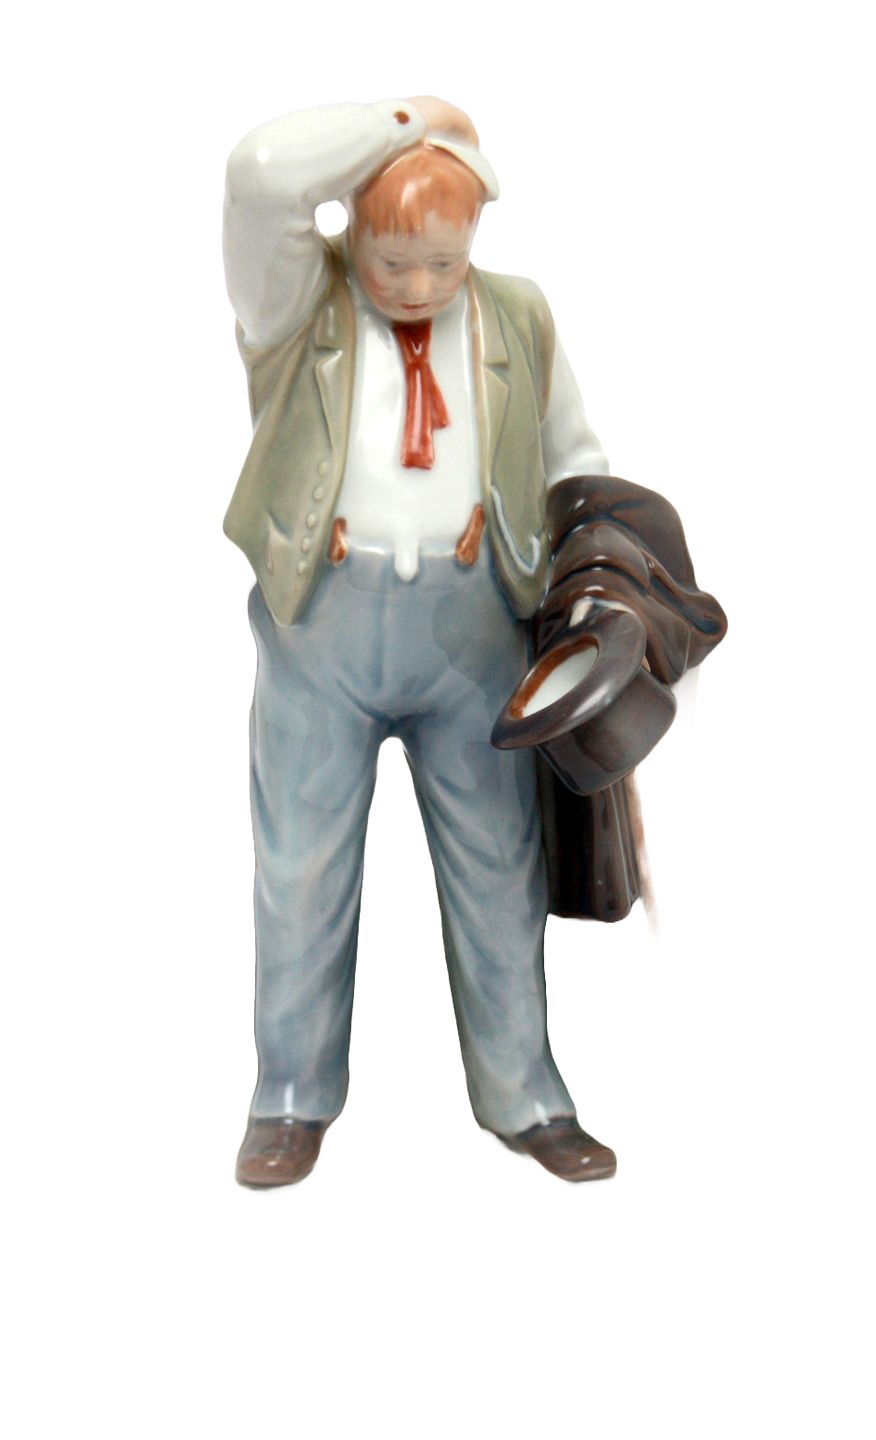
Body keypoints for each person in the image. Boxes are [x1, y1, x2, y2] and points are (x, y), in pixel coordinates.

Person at [223, 95, 620, 1186]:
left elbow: (573, 455)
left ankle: (526, 1093)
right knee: (302, 866)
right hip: (326, 620)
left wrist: (595, 586)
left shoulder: (515, 315)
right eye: (393, 259)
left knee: (499, 862)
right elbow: (259, 173)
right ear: (349, 220)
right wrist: (405, 122)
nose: (416, 285)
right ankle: (290, 1094)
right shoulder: (297, 304)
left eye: (443, 260)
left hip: (475, 623)